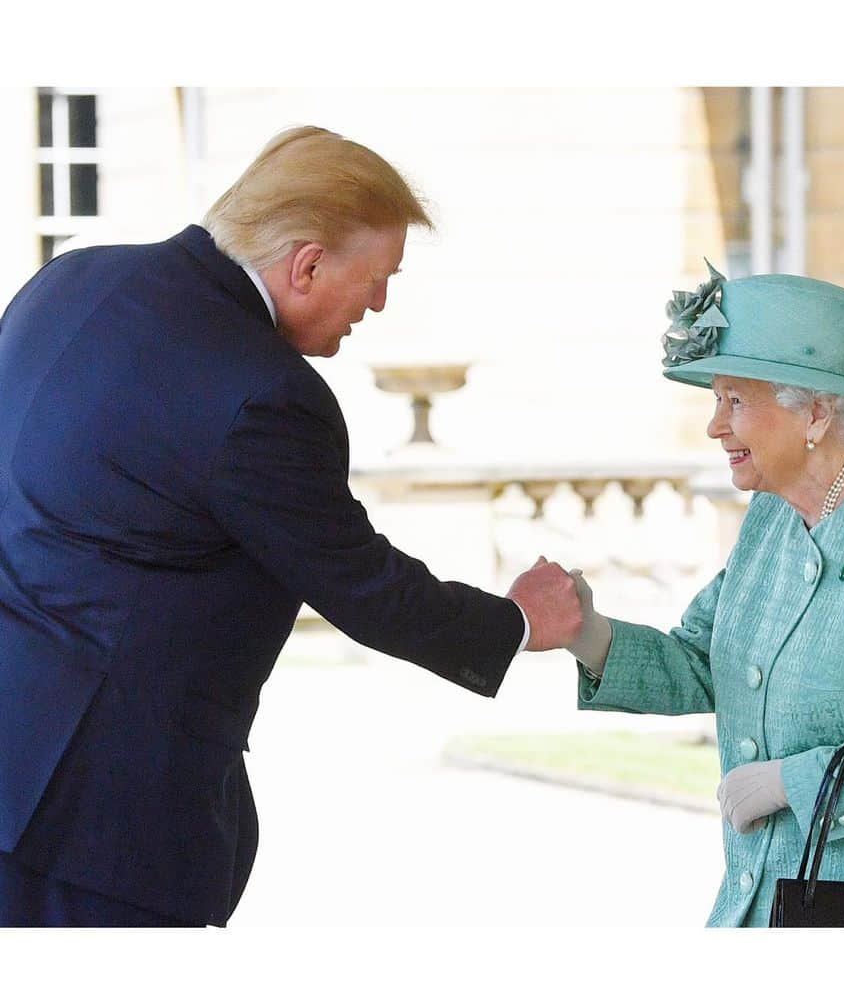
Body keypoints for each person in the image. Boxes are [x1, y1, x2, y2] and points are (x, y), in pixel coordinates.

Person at [0, 126, 582, 927]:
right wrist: (519, 622)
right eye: (379, 280)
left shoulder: (68, 280)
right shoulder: (266, 394)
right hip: (97, 818)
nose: (378, 305)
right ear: (306, 264)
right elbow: (363, 586)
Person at [562, 262, 844, 927]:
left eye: (734, 401)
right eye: (715, 400)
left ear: (813, 411)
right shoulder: (777, 514)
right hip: (777, 893)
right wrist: (588, 632)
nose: (714, 427)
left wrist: (789, 783)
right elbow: (704, 660)